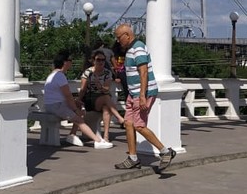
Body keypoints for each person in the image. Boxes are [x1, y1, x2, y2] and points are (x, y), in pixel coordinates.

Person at [113, 23, 177, 171]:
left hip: (143, 93)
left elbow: (143, 73)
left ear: (127, 35)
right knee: (128, 123)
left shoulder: (138, 48)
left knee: (139, 126)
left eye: (118, 37)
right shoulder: (130, 49)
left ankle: (165, 152)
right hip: (133, 93)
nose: (117, 41)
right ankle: (133, 158)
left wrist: (142, 95)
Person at [44, 52, 113, 149]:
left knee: (79, 105)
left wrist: (77, 103)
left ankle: (72, 134)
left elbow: (65, 96)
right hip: (56, 105)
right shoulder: (60, 76)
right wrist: (76, 110)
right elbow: (68, 96)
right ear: (65, 62)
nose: (71, 63)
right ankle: (98, 141)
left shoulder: (53, 75)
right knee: (79, 120)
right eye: (70, 61)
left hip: (53, 104)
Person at [79, 49, 125, 140]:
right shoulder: (88, 72)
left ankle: (106, 135)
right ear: (94, 61)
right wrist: (79, 100)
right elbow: (83, 89)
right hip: (90, 98)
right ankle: (119, 117)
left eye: (103, 60)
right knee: (106, 98)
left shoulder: (107, 73)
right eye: (98, 60)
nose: (101, 62)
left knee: (106, 108)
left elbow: (106, 89)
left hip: (103, 97)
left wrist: (100, 86)